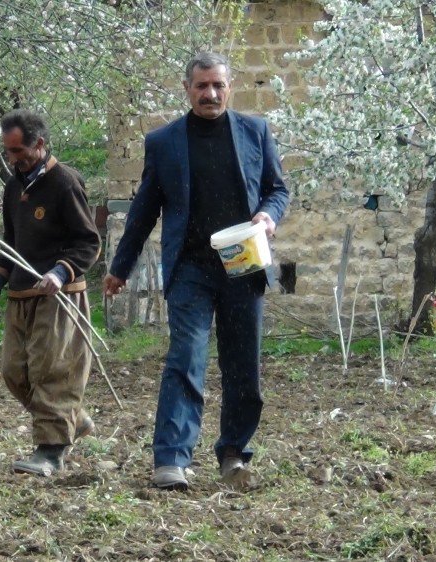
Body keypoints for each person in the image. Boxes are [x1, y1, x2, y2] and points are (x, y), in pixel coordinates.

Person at [103, 52, 290, 490]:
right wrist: (120, 267)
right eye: (202, 86)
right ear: (187, 89)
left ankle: (233, 453)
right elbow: (145, 210)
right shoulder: (165, 142)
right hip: (190, 267)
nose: (210, 94)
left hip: (243, 264)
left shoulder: (254, 132)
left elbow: (277, 189)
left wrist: (268, 215)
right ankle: (171, 457)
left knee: (244, 363)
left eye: (218, 85)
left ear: (230, 86)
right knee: (186, 358)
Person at [0, 109, 101, 477]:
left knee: (53, 372)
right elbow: (11, 241)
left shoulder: (65, 182)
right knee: (14, 372)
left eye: (18, 151)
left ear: (40, 144)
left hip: (58, 297)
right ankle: (70, 419)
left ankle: (50, 452)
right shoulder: (14, 185)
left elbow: (88, 242)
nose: (13, 159)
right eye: (8, 152)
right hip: (21, 295)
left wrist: (60, 273)